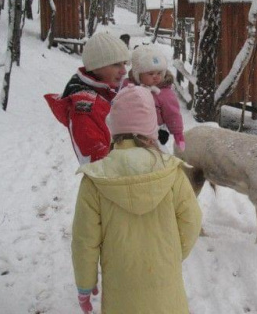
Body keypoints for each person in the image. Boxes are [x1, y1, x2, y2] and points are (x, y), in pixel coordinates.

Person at [71, 84, 202, 314]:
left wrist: (85, 284)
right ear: (150, 127)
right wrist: (172, 255)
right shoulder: (171, 171)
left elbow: (85, 240)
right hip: (166, 289)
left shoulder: (96, 179)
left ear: (114, 127)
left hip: (121, 292)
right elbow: (191, 221)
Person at [44, 32, 130, 164]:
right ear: (96, 68)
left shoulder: (106, 92)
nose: (124, 71)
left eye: (124, 63)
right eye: (116, 64)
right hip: (112, 181)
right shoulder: (85, 107)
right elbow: (97, 164)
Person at [131, 45, 186, 150]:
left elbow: (172, 114)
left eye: (159, 73)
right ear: (138, 75)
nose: (155, 76)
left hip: (155, 134)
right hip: (131, 132)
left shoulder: (165, 94)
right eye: (150, 73)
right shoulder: (130, 88)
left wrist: (178, 133)